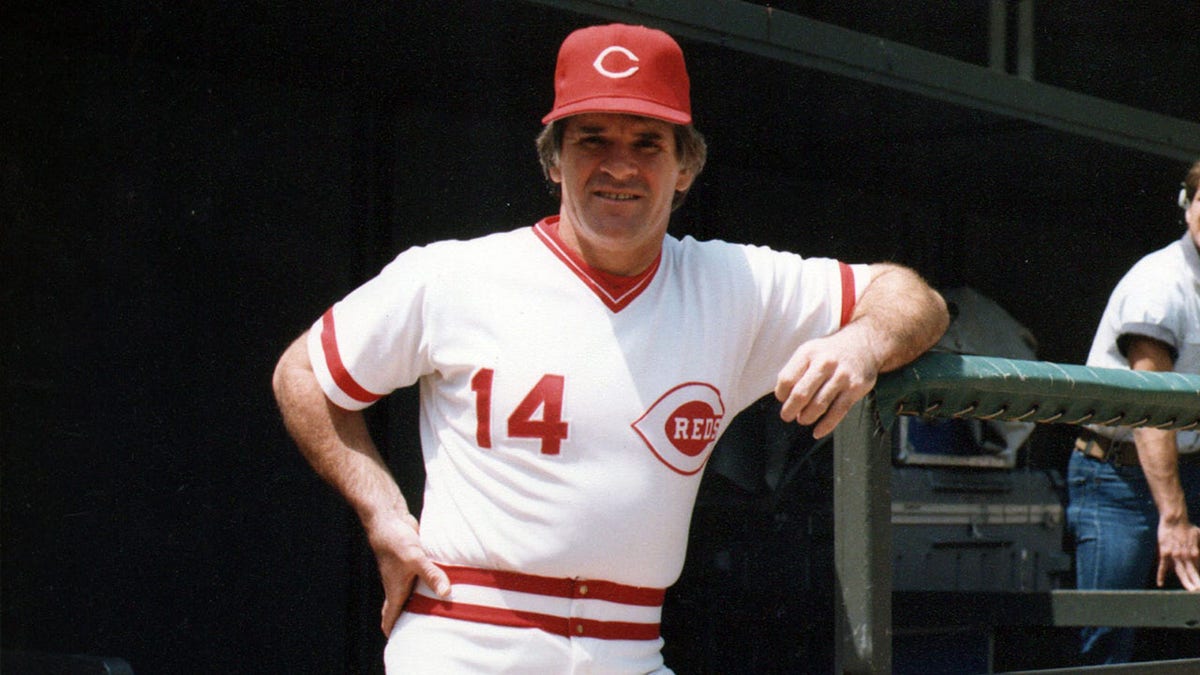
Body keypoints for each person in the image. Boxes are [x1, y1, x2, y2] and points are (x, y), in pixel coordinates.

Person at [272, 23, 948, 673]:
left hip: (627, 647)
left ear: (686, 167)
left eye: (648, 143)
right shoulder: (457, 274)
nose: (619, 166)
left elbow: (914, 299)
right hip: (468, 633)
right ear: (553, 160)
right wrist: (383, 512)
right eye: (592, 139)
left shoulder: (733, 284)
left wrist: (861, 342)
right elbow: (302, 373)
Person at [1066, 158, 1200, 665]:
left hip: (1188, 473)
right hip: (1118, 480)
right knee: (1108, 639)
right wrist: (1174, 517)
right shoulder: (1160, 281)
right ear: (1187, 205)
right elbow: (1150, 410)